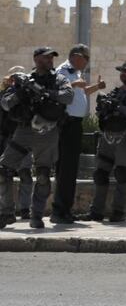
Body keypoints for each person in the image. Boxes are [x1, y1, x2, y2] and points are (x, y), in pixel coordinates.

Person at [0, 47, 74, 229]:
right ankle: (6, 212)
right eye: (46, 57)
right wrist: (21, 92)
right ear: (36, 59)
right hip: (24, 131)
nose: (50, 60)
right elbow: (5, 103)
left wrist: (46, 92)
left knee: (42, 175)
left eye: (51, 57)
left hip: (47, 131)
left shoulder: (59, 79)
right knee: (3, 170)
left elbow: (68, 96)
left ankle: (36, 215)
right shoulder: (24, 80)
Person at [78, 61, 126, 222]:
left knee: (122, 173)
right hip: (108, 137)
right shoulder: (115, 92)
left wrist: (120, 108)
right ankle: (96, 211)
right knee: (100, 173)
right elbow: (101, 113)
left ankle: (119, 211)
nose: (123, 74)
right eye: (122, 71)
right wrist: (104, 107)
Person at [51, 44, 106, 224]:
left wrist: (96, 87)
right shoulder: (63, 71)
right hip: (66, 124)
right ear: (76, 56)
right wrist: (74, 83)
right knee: (65, 168)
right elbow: (57, 93)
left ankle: (65, 209)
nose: (87, 63)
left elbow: (81, 92)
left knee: (70, 169)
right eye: (86, 59)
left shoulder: (74, 72)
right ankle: (59, 211)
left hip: (75, 125)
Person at [0, 67, 32, 226]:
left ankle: (25, 208)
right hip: (7, 138)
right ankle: (6, 211)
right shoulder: (6, 95)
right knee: (4, 173)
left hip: (22, 137)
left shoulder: (28, 94)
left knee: (25, 172)